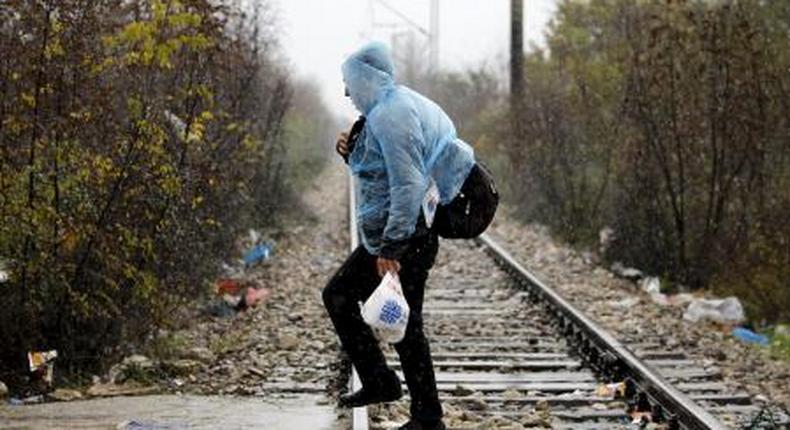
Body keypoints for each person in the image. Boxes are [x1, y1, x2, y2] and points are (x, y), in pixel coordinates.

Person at [322, 41, 476, 430]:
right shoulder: (386, 109)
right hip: (402, 235)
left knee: (401, 322)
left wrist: (392, 246)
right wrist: (349, 150)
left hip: (408, 237)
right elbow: (381, 168)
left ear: (366, 79)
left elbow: (407, 184)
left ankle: (425, 414)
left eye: (349, 83)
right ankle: (383, 382)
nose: (346, 92)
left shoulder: (392, 113)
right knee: (346, 298)